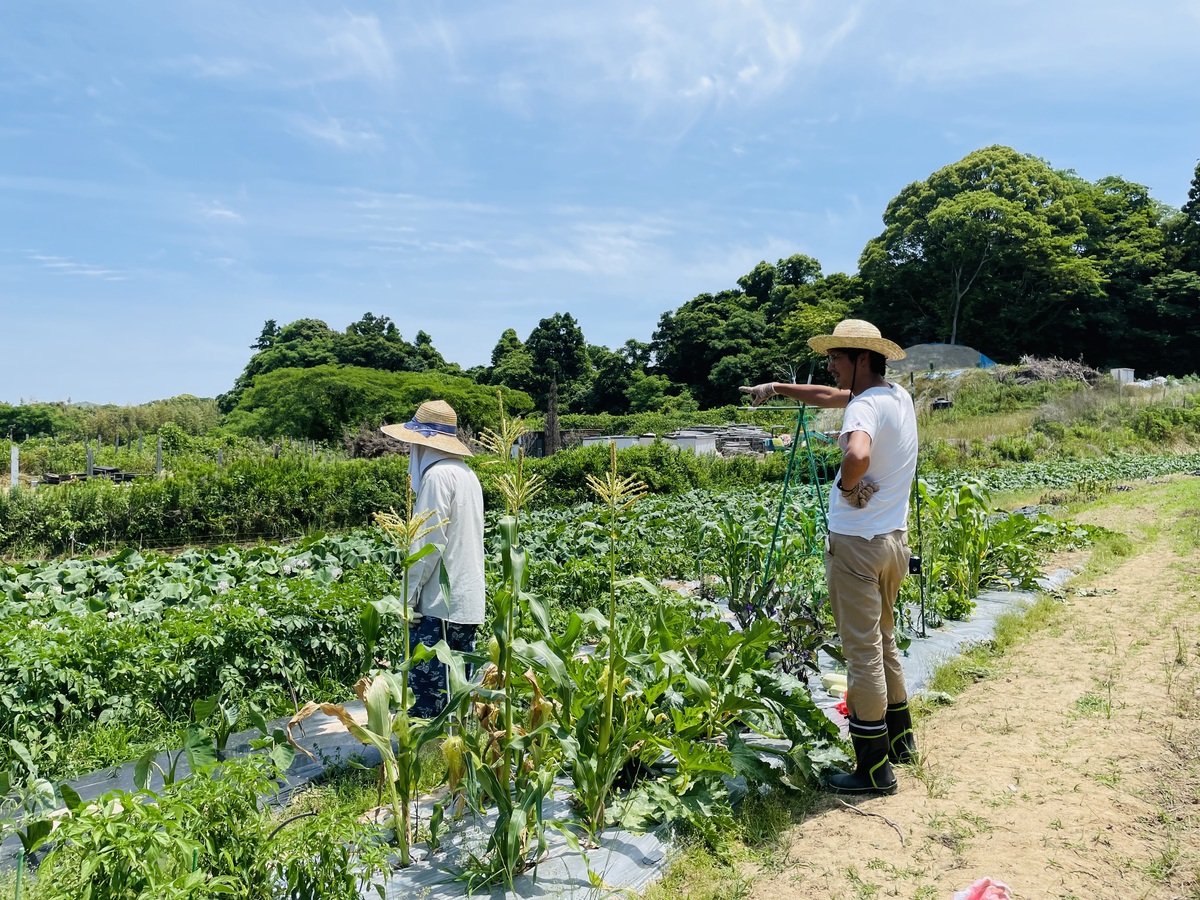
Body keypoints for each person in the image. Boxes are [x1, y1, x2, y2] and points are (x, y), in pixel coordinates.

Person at [741, 319, 918, 795]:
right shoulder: (895, 397)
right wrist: (776, 388)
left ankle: (873, 771)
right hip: (893, 543)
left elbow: (857, 453)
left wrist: (845, 483)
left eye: (837, 358)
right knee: (884, 641)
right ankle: (901, 742)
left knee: (862, 657)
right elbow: (826, 396)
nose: (831, 367)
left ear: (861, 358)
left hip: (857, 546)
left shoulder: (863, 408)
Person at [380, 400, 485, 718]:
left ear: (422, 444)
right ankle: (454, 764)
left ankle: (430, 764)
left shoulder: (437, 478)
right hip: (466, 607)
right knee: (456, 697)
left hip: (439, 610)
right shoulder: (466, 474)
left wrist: (405, 600)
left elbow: (426, 547)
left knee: (428, 704)